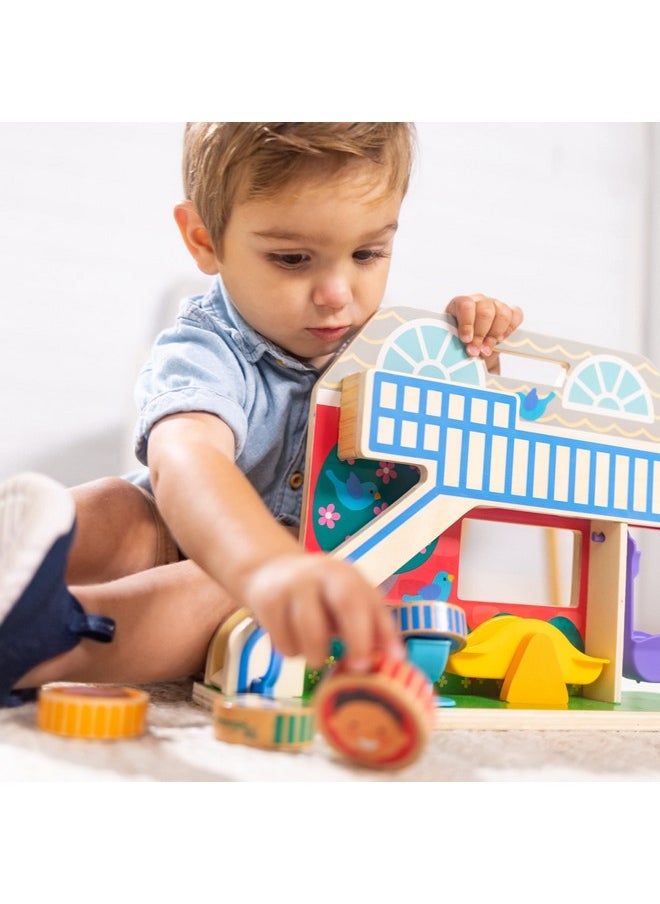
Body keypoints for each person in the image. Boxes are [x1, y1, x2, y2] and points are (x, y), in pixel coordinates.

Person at [0, 122, 523, 706]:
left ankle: (41, 641)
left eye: (367, 253)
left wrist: (466, 356)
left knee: (224, 596)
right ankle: (21, 561)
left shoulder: (394, 350)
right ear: (204, 239)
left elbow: (461, 449)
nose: (336, 291)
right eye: (293, 258)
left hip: (300, 590)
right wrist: (263, 565)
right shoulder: (206, 346)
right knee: (117, 506)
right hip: (206, 542)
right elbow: (186, 459)